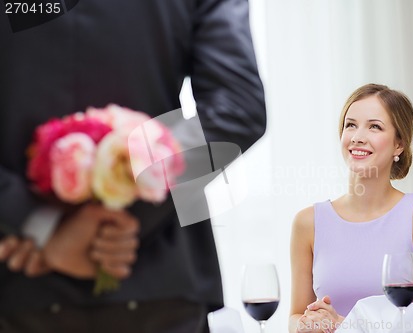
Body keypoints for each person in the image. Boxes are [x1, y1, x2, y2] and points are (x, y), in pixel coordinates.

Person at [0, 0, 266, 332]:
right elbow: (237, 109)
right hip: (157, 276)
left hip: (18, 275)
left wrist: (38, 223)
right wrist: (126, 211)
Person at [288, 84, 413, 333]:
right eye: (350, 125)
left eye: (374, 126)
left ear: (399, 144)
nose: (358, 136)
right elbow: (295, 315)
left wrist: (345, 326)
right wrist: (306, 324)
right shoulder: (308, 222)